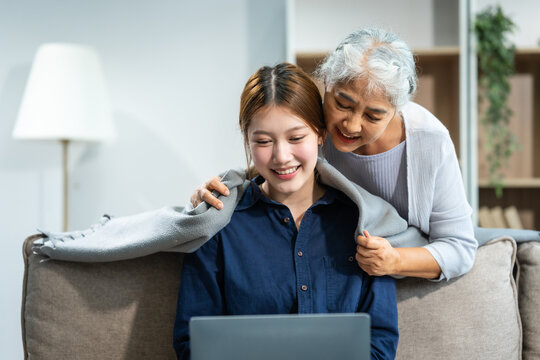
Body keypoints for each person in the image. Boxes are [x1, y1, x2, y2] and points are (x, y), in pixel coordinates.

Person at [190, 28, 477, 281]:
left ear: (397, 109)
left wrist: (395, 260)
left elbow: (460, 247)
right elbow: (280, 163)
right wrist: (223, 186)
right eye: (343, 103)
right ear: (326, 80)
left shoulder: (430, 142)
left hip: (401, 273)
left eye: (374, 116)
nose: (351, 125)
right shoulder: (316, 123)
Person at [173, 63, 399, 359]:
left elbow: (380, 342)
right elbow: (192, 343)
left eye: (295, 138)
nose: (281, 157)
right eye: (264, 141)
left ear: (319, 134)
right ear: (247, 140)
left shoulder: (361, 221)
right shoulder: (218, 223)